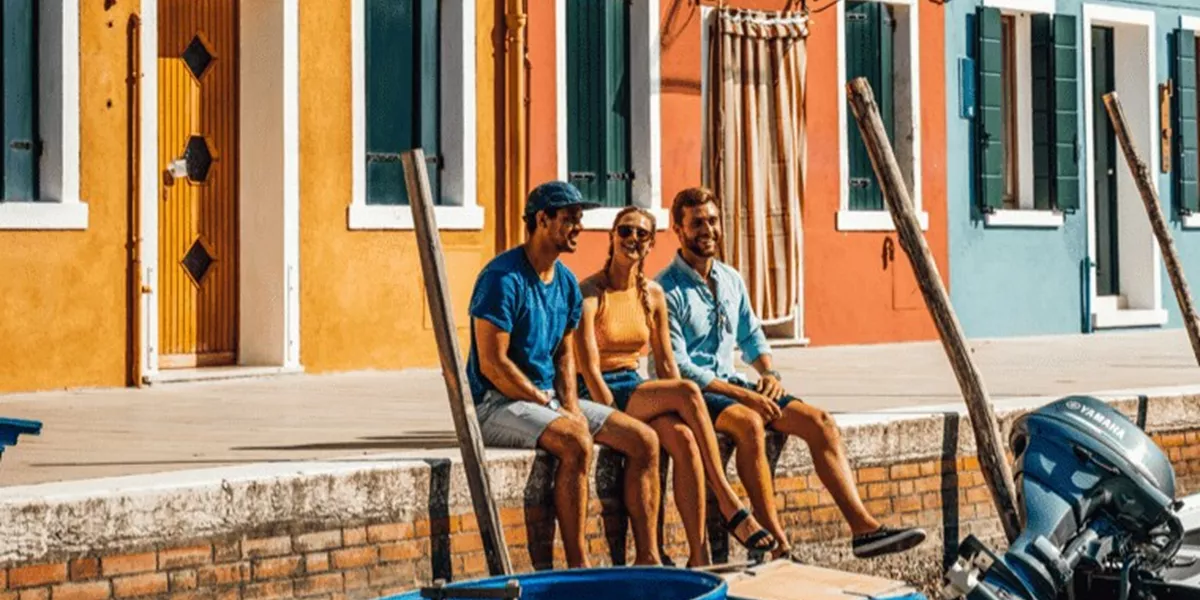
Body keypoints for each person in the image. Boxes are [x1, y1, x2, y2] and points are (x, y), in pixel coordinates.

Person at [655, 186, 927, 560]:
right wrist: (745, 394)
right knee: (750, 423)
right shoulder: (665, 289)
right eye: (697, 222)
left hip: (735, 384)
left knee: (821, 422)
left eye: (713, 220)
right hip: (701, 395)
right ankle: (777, 544)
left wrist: (769, 373)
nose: (708, 229)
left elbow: (751, 335)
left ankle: (864, 529)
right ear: (678, 228)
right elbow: (679, 366)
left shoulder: (731, 279)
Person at [466, 181, 663, 568]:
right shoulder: (502, 279)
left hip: (547, 400)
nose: (578, 227)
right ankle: (578, 564)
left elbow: (563, 357)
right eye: (570, 219)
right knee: (576, 441)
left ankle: (648, 559)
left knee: (644, 440)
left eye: (579, 219)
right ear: (542, 220)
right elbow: (493, 364)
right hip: (496, 403)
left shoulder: (567, 283)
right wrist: (547, 403)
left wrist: (570, 404)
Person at [574, 206, 777, 567]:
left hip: (634, 385)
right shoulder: (590, 293)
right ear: (612, 236)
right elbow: (588, 368)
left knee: (684, 439)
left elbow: (667, 364)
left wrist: (667, 403)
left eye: (641, 234)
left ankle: (698, 556)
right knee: (687, 392)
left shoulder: (652, 295)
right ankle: (730, 502)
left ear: (651, 243)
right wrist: (614, 419)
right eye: (625, 231)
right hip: (600, 392)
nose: (632, 239)